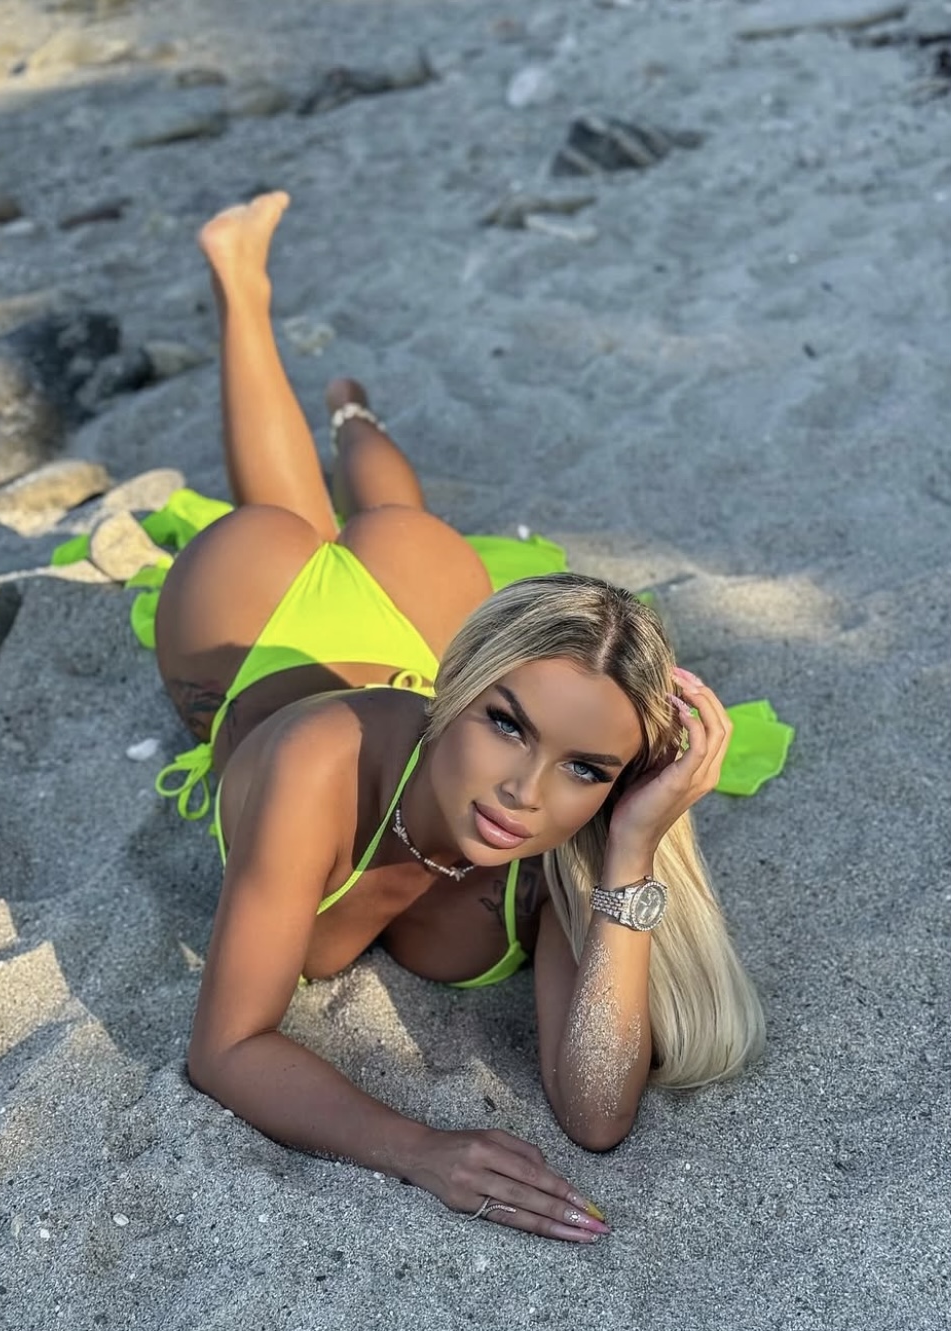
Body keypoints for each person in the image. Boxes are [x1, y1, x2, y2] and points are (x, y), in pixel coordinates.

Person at [153, 191, 765, 1245]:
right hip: (255, 622)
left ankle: (351, 412)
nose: (526, 793)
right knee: (283, 522)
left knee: (399, 520)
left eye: (585, 767)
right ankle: (240, 286)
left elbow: (597, 1112)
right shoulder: (314, 764)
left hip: (414, 608)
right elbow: (227, 1046)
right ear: (462, 687)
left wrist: (628, 853)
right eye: (509, 725)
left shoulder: (564, 846)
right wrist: (418, 1148)